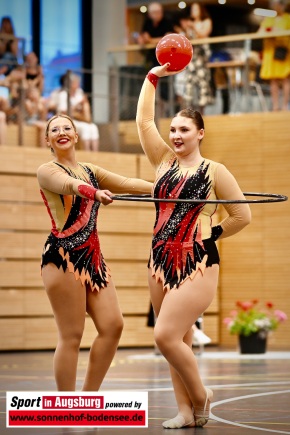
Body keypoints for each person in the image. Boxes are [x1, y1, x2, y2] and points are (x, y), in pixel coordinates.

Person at [136, 63, 251, 428]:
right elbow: (143, 123)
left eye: (184, 129)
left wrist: (211, 234)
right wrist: (152, 77)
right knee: (177, 340)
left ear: (200, 133)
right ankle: (186, 412)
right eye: (172, 129)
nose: (176, 135)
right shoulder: (163, 161)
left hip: (198, 259)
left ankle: (201, 396)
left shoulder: (216, 170)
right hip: (159, 259)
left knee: (165, 334)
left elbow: (241, 215)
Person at [37, 114, 153, 391]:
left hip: (93, 260)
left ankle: (88, 398)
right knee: (72, 335)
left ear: (76, 136)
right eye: (55, 130)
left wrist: (168, 190)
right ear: (48, 140)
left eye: (67, 128)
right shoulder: (47, 170)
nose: (62, 132)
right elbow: (68, 185)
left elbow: (127, 182)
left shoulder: (90, 169)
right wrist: (94, 193)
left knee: (113, 326)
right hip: (62, 258)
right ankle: (67, 405)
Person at [258, 0, 290, 111]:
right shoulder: (269, 19)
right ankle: (276, 106)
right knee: (273, 80)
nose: (277, 6)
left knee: (286, 79)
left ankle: (285, 105)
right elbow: (260, 32)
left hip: (284, 52)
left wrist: (278, 32)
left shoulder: (288, 18)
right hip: (271, 53)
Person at [183, 3, 214, 113]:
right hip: (192, 57)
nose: (193, 12)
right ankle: (190, 113)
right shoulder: (189, 23)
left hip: (202, 56)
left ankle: (202, 113)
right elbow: (188, 38)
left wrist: (193, 27)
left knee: (202, 83)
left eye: (195, 9)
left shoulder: (206, 21)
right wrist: (186, 29)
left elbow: (203, 34)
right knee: (189, 84)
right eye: (192, 9)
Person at [56, 73, 100, 151]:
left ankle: (95, 153)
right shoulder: (63, 95)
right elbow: (64, 112)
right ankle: (87, 153)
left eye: (77, 82)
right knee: (85, 128)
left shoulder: (79, 92)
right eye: (75, 82)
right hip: (69, 121)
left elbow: (82, 108)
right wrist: (77, 105)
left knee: (93, 127)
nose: (77, 84)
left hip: (80, 119)